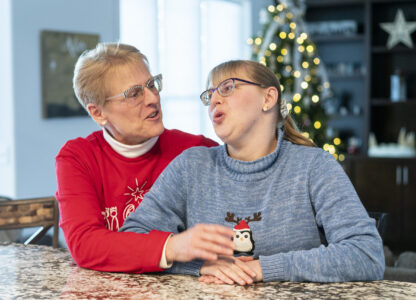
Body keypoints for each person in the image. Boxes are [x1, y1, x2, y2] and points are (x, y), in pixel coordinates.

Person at [120, 60, 385, 284]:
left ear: (268, 98)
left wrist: (262, 269)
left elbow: (366, 254)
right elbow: (130, 242)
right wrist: (198, 266)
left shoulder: (315, 166)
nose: (214, 99)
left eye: (227, 87)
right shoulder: (190, 165)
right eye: (209, 94)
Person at [55, 43, 237, 273]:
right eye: (134, 93)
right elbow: (86, 244)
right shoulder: (78, 157)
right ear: (97, 113)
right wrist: (171, 247)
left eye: (152, 85)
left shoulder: (197, 149)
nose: (153, 98)